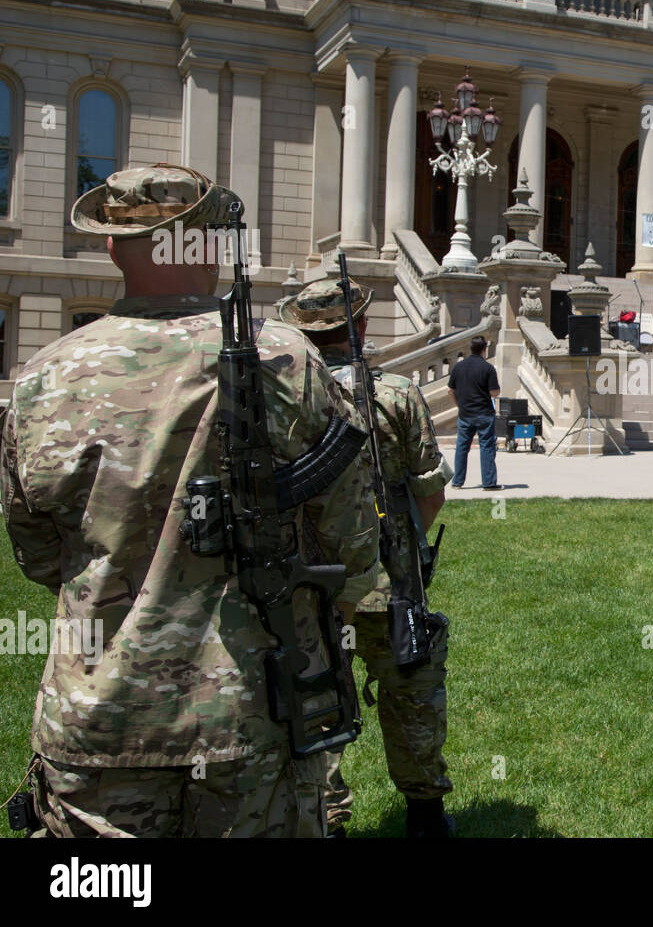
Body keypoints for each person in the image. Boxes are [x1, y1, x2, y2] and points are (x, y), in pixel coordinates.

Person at [0, 164, 379, 838]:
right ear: (208, 247)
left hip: (97, 718)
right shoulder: (285, 359)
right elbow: (351, 541)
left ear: (112, 247)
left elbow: (38, 554)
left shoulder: (42, 377)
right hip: (247, 717)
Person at [278, 279, 456, 839]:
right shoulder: (398, 395)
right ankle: (425, 815)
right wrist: (402, 551)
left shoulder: (281, 399)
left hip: (305, 585)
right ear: (358, 327)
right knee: (411, 695)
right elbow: (430, 493)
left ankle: (323, 817)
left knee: (316, 696)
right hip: (387, 580)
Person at [448, 335, 501, 491]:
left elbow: (451, 390)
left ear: (470, 348)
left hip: (465, 413)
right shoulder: (488, 368)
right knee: (487, 447)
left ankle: (457, 482)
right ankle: (489, 482)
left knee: (462, 447)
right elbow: (494, 392)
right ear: (484, 349)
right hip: (484, 412)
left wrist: (459, 405)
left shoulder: (458, 367)